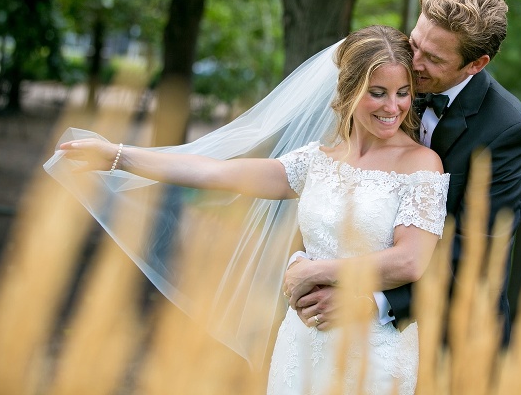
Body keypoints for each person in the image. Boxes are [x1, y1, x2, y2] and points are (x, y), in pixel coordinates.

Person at [47, 25, 449, 395]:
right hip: (302, 339)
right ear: (347, 90)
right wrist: (118, 155)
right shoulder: (318, 160)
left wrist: (308, 270)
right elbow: (216, 172)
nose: (393, 107)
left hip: (374, 351)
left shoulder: (421, 165)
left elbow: (410, 260)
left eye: (403, 93)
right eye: (377, 92)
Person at [289, 0, 521, 345]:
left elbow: (473, 255)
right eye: (415, 43)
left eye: (433, 58)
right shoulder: (395, 87)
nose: (413, 63)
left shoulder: (507, 130)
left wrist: (371, 301)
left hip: (448, 340)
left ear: (476, 64)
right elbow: (341, 178)